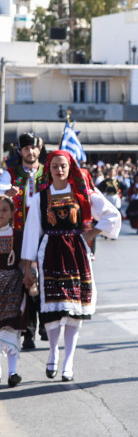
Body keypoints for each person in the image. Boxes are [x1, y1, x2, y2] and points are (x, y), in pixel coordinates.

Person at [20, 150, 122, 380]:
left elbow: (112, 215)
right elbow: (31, 232)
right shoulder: (40, 197)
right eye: (55, 166)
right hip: (50, 254)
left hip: (76, 254)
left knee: (74, 309)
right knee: (54, 309)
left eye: (63, 166)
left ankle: (69, 363)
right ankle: (53, 354)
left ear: (70, 167)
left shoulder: (82, 193)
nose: (59, 170)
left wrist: (92, 233)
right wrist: (29, 268)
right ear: (49, 169)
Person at [6, 133, 46, 350]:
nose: (30, 152)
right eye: (26, 149)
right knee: (25, 282)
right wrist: (6, 194)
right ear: (19, 151)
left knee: (46, 279)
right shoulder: (10, 174)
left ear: (39, 150)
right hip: (19, 235)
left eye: (33, 148)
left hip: (44, 233)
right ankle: (28, 331)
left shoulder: (48, 174)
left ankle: (46, 325)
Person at [0, 196, 27, 385]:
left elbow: (24, 261)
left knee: (11, 328)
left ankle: (12, 372)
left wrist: (30, 277)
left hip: (13, 288)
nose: (0, 214)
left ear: (11, 214)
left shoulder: (18, 235)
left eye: (4, 210)